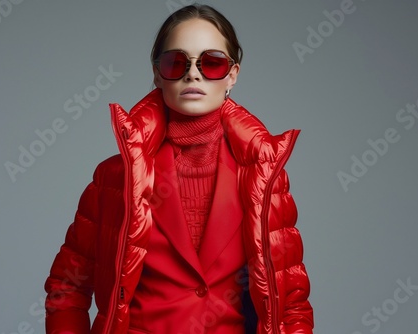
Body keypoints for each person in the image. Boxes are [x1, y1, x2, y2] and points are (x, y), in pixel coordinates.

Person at [44, 4, 313, 334]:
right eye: (177, 62)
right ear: (157, 73)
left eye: (212, 62)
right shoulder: (116, 177)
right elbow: (67, 288)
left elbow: (292, 304)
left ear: (233, 74)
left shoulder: (265, 177)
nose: (193, 74)